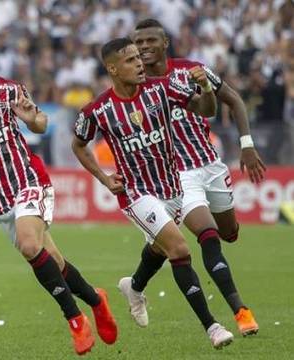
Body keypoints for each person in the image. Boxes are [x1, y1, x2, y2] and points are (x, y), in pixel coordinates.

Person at [0, 28, 117, 356]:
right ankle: (97, 300)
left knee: (30, 245)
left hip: (29, 181)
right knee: (51, 259)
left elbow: (40, 122)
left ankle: (75, 320)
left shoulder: (6, 90)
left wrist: (33, 119)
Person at [72, 37, 234, 349]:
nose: (139, 63)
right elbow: (78, 144)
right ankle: (212, 326)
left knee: (159, 249)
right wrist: (104, 179)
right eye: (131, 60)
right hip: (136, 194)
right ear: (113, 69)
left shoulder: (161, 88)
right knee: (179, 249)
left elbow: (206, 110)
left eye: (138, 58)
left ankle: (133, 287)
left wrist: (208, 90)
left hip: (172, 189)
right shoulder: (98, 110)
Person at [131, 18, 262, 336]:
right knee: (208, 236)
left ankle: (135, 283)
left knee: (228, 232)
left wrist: (247, 145)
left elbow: (233, 101)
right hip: (177, 176)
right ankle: (241, 312)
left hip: (211, 165)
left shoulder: (190, 71)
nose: (144, 47)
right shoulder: (135, 89)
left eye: (150, 41)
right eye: (139, 43)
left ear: (165, 43)